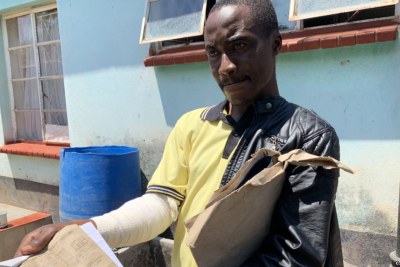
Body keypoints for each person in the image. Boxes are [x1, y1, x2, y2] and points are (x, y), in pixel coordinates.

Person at [15, 0, 344, 266]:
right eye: (213, 53)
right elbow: (161, 206)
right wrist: (87, 228)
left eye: (240, 46)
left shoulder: (308, 136)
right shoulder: (191, 125)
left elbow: (296, 256)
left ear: (275, 44)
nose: (225, 66)